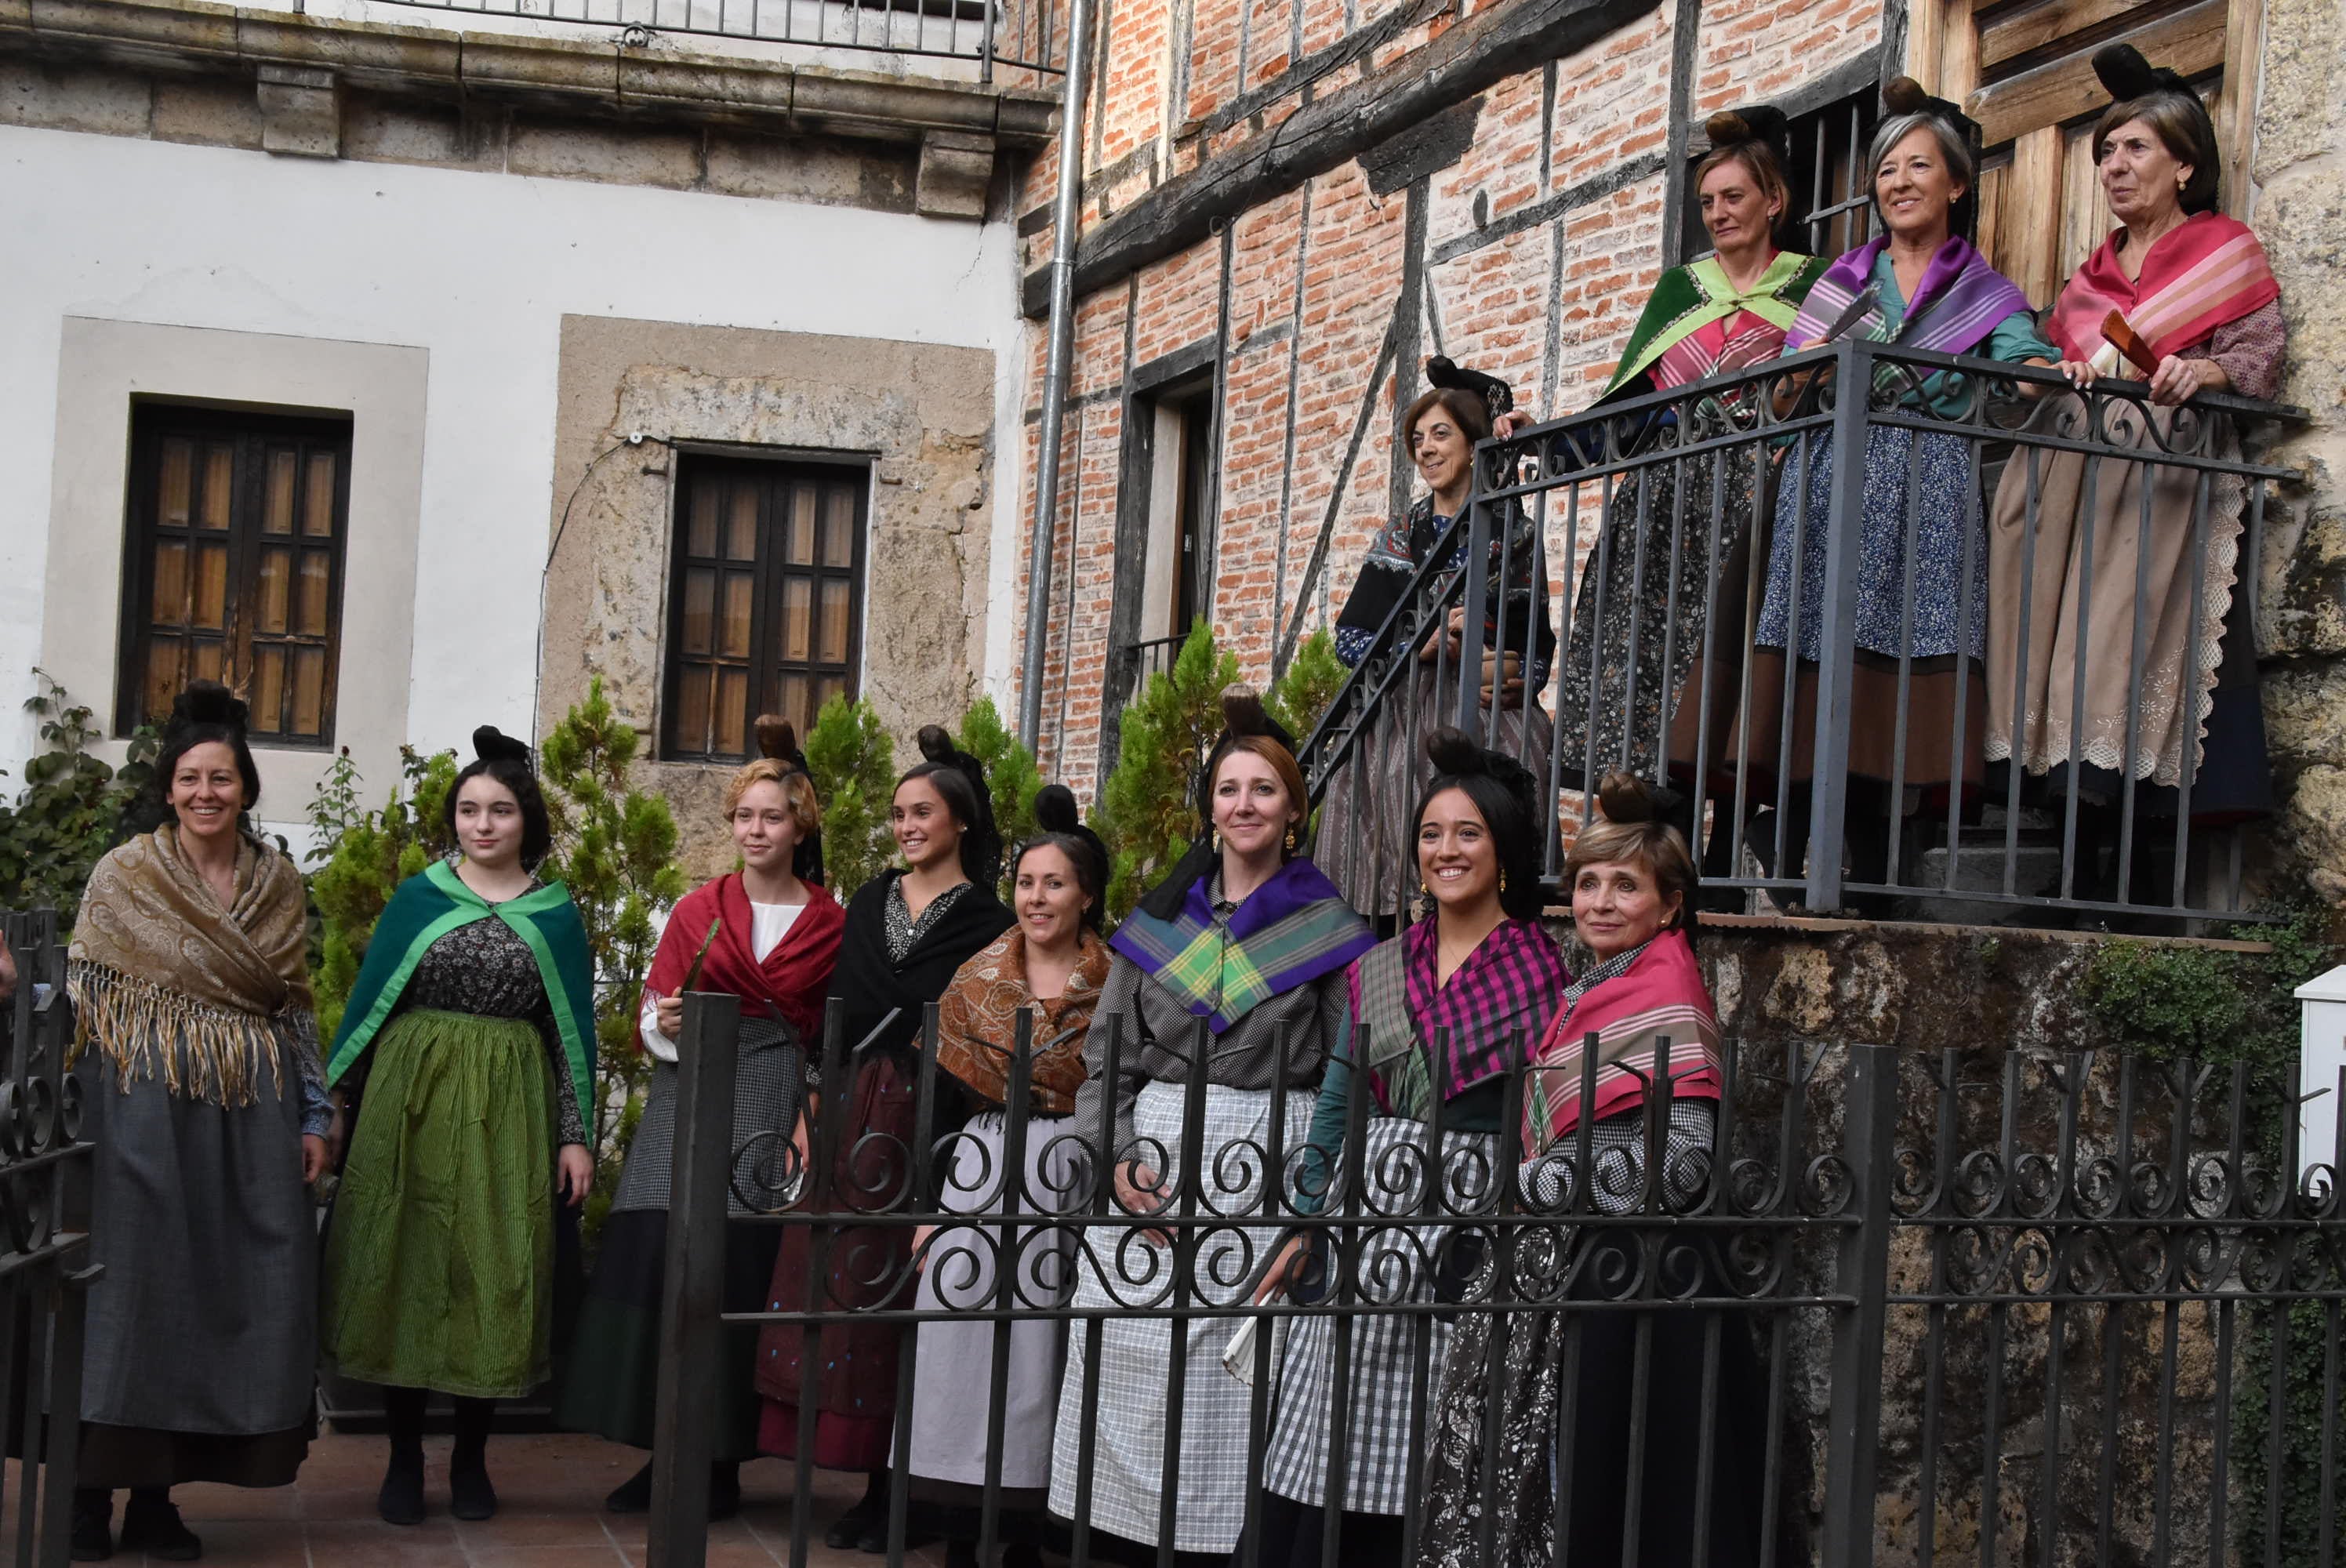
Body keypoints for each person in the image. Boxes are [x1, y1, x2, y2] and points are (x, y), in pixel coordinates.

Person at [1047, 686, 1376, 1566]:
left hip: (1268, 1155)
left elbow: (1356, 1063)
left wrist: (1315, 1193)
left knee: (1232, 1372)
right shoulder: (1159, 918)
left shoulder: (1330, 927)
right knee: (1128, 1346)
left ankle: (1213, 1545)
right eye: (1228, 790)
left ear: (1293, 809)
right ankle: (1113, 1538)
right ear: (1210, 808)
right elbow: (1106, 1059)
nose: (1243, 805)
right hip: (1151, 1152)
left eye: (1262, 789)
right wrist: (1114, 1158)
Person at [1416, 771, 1764, 1567]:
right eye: (1588, 882)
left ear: (1670, 904)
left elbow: (1679, 1163)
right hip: (1578, 1261)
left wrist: (1541, 1183)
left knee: (1619, 1479)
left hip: (1636, 1281)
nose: (1600, 901)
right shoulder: (1591, 988)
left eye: (1625, 884)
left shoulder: (1668, 995)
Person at [1252, 728, 1567, 1567]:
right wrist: (1306, 1218)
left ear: (1502, 853)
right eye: (1430, 833)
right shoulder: (1382, 962)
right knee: (1327, 1417)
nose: (1445, 849)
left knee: (1435, 1429)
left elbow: (1540, 1114)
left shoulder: (1542, 970)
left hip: (1467, 1218)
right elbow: (1339, 1098)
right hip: (1367, 1207)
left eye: (1467, 833)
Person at [1742, 78, 2057, 900]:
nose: (1898, 182)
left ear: (1955, 183)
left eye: (1918, 166)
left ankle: (1888, 856)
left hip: (1929, 487)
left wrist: (2040, 371)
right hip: (1830, 481)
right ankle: (1793, 847)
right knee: (1818, 651)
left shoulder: (1983, 293)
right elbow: (1782, 394)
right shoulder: (1841, 283)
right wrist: (1795, 375)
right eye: (1885, 170)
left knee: (1910, 658)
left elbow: (2026, 361)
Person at [1984, 45, 2286, 902]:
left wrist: (2206, 371)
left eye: (2135, 148)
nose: (2114, 165)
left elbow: (2259, 355)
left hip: (2160, 476)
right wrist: (2056, 365)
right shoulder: (2091, 274)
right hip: (2073, 474)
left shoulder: (2225, 251)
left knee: (2120, 650)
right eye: (2106, 151)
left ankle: (2122, 870)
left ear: (2184, 164)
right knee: (2058, 650)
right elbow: (2055, 344)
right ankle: (2071, 861)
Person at [65, 682, 330, 1563]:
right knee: (130, 1293)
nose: (205, 792)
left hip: (249, 1123)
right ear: (169, 788)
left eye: (221, 776)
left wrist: (315, 1114)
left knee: (214, 1295)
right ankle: (82, 1494)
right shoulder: (125, 874)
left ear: (246, 786)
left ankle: (153, 1499)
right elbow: (83, 995)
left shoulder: (277, 883)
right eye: (189, 778)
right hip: (141, 1112)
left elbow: (295, 1010)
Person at [561, 717, 844, 1519]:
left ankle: (721, 1457)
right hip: (688, 1092)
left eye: (772, 817)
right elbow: (652, 1011)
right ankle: (666, 1451)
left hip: (772, 1092)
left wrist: (807, 1118)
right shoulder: (698, 907)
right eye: (744, 817)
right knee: (665, 1260)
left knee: (742, 1270)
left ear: (799, 826)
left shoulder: (830, 921)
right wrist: (669, 1024)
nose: (756, 829)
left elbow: (832, 1032)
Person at [321, 726, 598, 1526]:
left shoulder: (556, 914)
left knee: (493, 1267)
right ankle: (403, 1456)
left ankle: (472, 1457)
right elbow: (372, 1008)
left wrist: (574, 1133)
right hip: (410, 1101)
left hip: (509, 1109)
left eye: (500, 810)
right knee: (402, 1264)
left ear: (526, 822)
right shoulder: (419, 897)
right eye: (470, 809)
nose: (483, 823)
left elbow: (569, 1033)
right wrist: (337, 1107)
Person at [755, 726, 1015, 1555]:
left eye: (922, 811)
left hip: (932, 1115)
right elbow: (839, 1006)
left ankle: (899, 1483)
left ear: (959, 822)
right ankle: (862, 1476)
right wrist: (807, 1110)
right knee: (843, 1296)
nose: (906, 825)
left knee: (908, 1295)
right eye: (899, 812)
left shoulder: (989, 918)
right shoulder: (868, 901)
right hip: (846, 1105)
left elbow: (982, 1032)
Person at [1553, 107, 1829, 847]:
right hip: (1668, 502)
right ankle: (1663, 830)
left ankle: (1730, 836)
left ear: (1775, 201)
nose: (1718, 214)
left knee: (1740, 658)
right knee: (1655, 657)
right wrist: (1543, 440)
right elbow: (1632, 402)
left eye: (1733, 198)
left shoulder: (1816, 288)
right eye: (1708, 203)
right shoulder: (1681, 290)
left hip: (1760, 495)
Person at [904, 785, 1113, 1568]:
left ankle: (1029, 1528)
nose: (1036, 896)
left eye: (1054, 882)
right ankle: (959, 1525)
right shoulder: (976, 978)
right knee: (959, 1342)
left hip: (1069, 1164)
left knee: (1044, 1346)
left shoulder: (1114, 979)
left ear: (1087, 893)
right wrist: (928, 1206)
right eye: (1026, 881)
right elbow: (939, 1101)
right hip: (984, 1163)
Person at [1320, 372, 1558, 924]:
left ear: (1474, 448)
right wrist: (1419, 644)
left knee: (1529, 750)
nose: (1425, 449)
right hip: (1408, 693)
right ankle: (1395, 920)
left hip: (1482, 690)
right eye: (1419, 440)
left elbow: (1536, 641)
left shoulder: (1514, 534)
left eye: (1441, 435)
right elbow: (1351, 639)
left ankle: (1507, 903)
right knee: (1395, 765)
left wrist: (1515, 666)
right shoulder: (1401, 535)